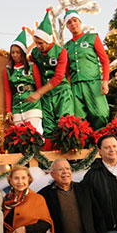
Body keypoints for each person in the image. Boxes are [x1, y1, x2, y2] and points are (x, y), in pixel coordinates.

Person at [28, 9, 74, 147]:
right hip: (47, 95)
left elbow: (59, 76)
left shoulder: (61, 52)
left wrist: (39, 92)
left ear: (48, 40)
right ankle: (49, 155)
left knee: (65, 123)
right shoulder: (35, 53)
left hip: (61, 92)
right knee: (48, 125)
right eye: (36, 42)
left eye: (41, 43)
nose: (38, 46)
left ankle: (68, 153)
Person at [63, 9, 110, 130]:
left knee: (101, 113)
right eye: (69, 22)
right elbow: (67, 71)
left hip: (93, 83)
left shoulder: (92, 38)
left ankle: (101, 140)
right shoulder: (66, 46)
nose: (73, 24)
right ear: (67, 26)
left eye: (74, 20)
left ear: (80, 21)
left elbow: (104, 60)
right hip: (75, 86)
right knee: (78, 118)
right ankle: (84, 143)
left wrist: (105, 81)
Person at [3, 27, 43, 134]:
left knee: (31, 135)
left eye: (18, 52)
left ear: (23, 53)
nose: (15, 55)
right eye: (13, 52)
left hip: (32, 107)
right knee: (20, 137)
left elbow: (39, 88)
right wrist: (8, 111)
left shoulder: (32, 66)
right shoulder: (7, 70)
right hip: (17, 107)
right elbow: (8, 91)